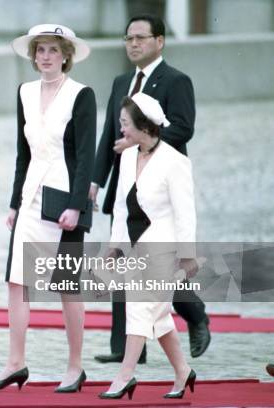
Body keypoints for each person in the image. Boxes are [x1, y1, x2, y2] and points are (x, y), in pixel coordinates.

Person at [90, 14, 210, 364]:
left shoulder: (176, 81)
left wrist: (141, 142)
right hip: (125, 186)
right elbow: (108, 137)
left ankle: (195, 315)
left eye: (141, 38)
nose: (134, 44)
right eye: (128, 39)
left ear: (160, 41)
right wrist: (96, 181)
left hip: (159, 186)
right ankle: (125, 348)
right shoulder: (120, 82)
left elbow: (183, 129)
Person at [0, 24, 95, 393]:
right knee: (17, 281)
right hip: (32, 199)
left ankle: (75, 366)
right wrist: (15, 203)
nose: (45, 56)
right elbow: (23, 153)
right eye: (40, 50)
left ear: (66, 54)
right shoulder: (25, 92)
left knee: (67, 286)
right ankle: (15, 362)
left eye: (52, 49)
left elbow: (85, 158)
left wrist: (77, 207)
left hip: (64, 203)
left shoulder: (82, 95)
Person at [99, 93, 197, 400]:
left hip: (164, 249)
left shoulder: (175, 162)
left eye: (125, 123)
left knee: (140, 308)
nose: (122, 129)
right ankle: (183, 372)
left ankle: (125, 376)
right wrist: (114, 248)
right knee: (157, 316)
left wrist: (188, 256)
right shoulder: (127, 156)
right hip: (135, 247)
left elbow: (185, 213)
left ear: (144, 125)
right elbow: (119, 207)